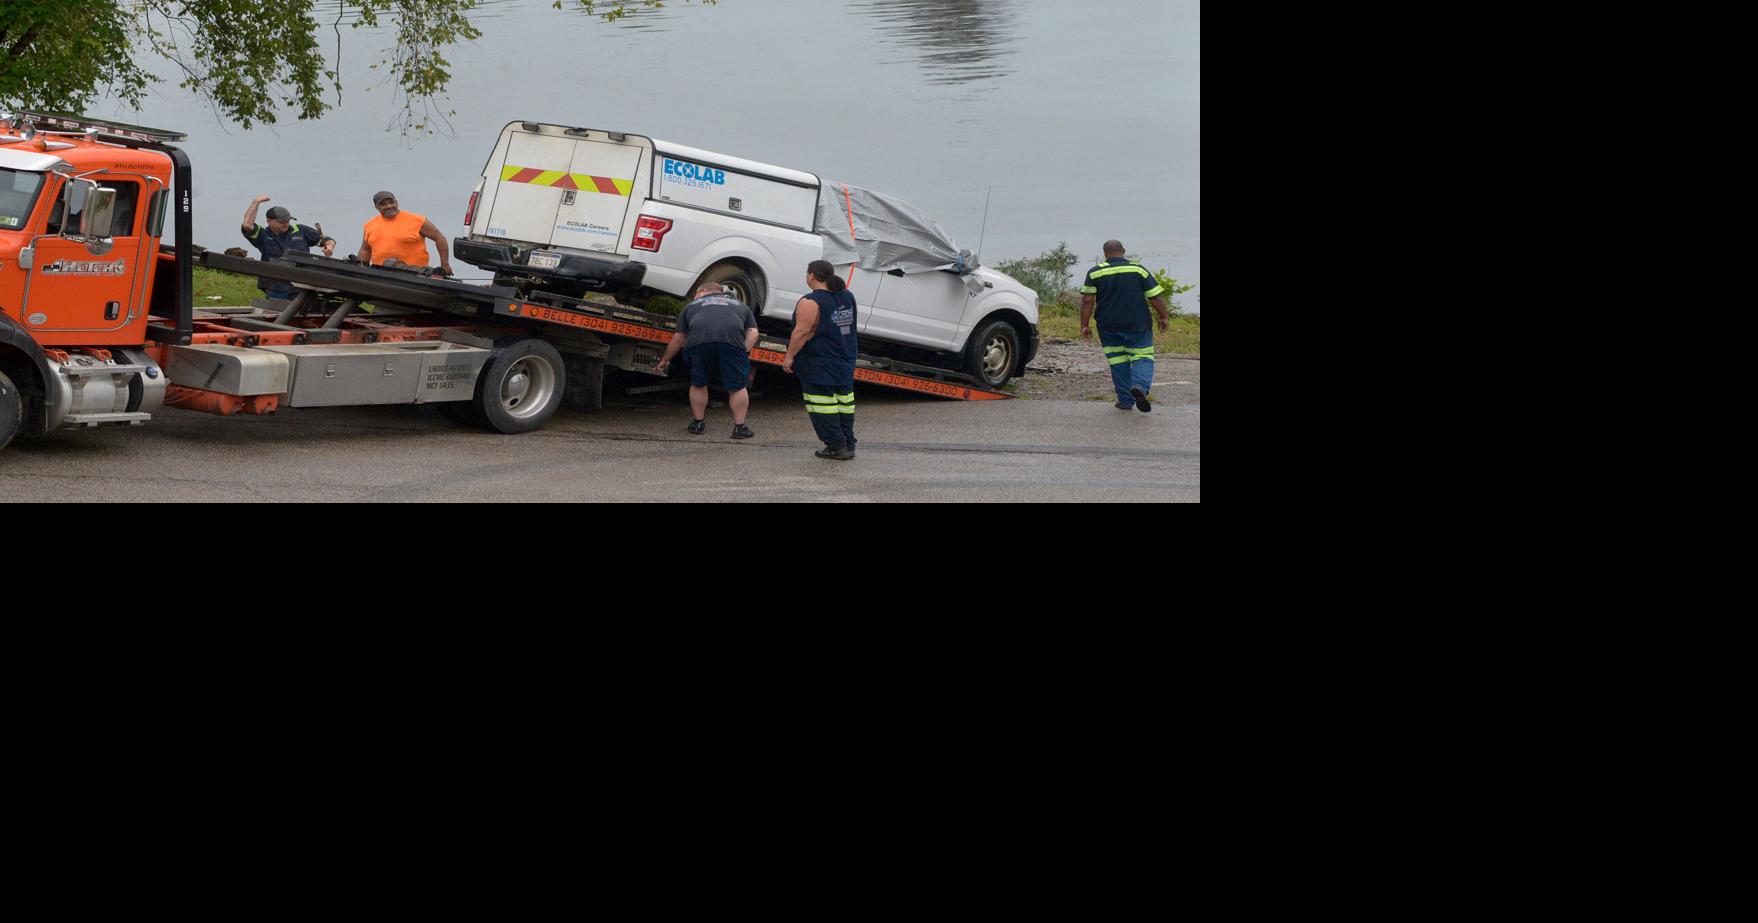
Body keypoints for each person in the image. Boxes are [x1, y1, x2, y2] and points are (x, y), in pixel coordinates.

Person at [654, 282, 760, 439]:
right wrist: (743, 351)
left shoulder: (691, 306)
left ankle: (698, 423)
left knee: (698, 383)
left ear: (702, 292)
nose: (694, 297)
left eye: (695, 293)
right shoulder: (741, 306)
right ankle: (740, 427)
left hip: (698, 343)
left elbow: (678, 338)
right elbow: (753, 332)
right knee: (737, 386)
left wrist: (664, 360)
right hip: (731, 343)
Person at [1079, 240, 1171, 413]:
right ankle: (1140, 387)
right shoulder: (1138, 269)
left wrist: (1084, 325)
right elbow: (1155, 297)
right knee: (1142, 358)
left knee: (1117, 361)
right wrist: (1163, 317)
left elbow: (1087, 300)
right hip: (1137, 324)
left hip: (1107, 325)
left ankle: (1125, 400)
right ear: (1123, 252)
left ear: (1105, 254)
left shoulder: (1095, 272)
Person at [782, 260, 859, 460]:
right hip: (844, 358)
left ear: (812, 275)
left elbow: (802, 332)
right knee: (844, 403)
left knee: (821, 405)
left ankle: (836, 445)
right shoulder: (847, 296)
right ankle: (848, 443)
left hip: (819, 362)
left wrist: (789, 357)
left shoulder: (810, 302)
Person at [240, 195, 335, 300]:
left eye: (287, 221)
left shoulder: (300, 230)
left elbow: (327, 240)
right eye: (281, 222)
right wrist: (256, 202)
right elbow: (247, 225)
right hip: (276, 288)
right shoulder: (263, 235)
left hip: (303, 286)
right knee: (280, 313)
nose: (285, 224)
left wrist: (329, 247)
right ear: (269, 221)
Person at [357, 190, 453, 278]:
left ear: (396, 202)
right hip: (381, 276)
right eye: (383, 204)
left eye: (391, 202)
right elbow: (365, 250)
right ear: (376, 207)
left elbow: (439, 238)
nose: (389, 206)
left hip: (416, 276)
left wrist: (445, 264)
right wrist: (360, 268)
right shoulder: (370, 225)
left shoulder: (417, 220)